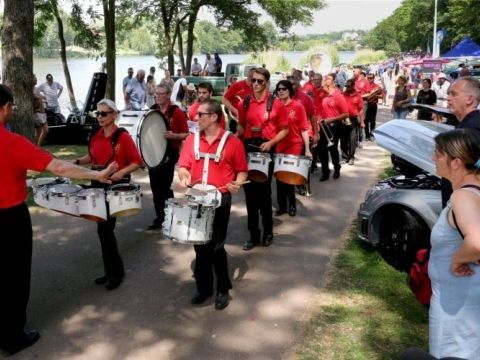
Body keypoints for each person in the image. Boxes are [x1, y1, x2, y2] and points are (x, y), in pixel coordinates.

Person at [0, 84, 116, 357]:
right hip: (9, 220)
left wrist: (19, 184)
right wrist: (98, 176)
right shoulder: (11, 141)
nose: (12, 110)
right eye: (11, 106)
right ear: (4, 107)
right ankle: (13, 337)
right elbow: (59, 167)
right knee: (14, 277)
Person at [177, 99, 248, 310]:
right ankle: (204, 288)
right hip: (197, 197)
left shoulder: (233, 142)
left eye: (200, 115)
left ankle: (222, 288)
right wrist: (183, 176)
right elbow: (183, 166)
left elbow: (242, 170)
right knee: (200, 245)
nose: (195, 118)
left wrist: (239, 182)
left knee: (217, 247)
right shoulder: (192, 140)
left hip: (220, 198)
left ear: (214, 117)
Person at [74, 99, 142, 290]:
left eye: (104, 113)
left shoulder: (123, 137)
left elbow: (136, 161)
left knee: (105, 230)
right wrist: (77, 162)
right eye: (98, 113)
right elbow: (92, 157)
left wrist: (121, 172)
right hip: (96, 181)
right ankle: (109, 272)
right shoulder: (95, 134)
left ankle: (116, 274)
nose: (100, 117)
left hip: (113, 185)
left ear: (114, 114)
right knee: (102, 230)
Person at [429, 129, 480, 360]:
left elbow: (477, 242)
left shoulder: (463, 197)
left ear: (456, 163)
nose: (433, 158)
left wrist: (458, 258)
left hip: (457, 304)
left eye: (438, 154)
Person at [236, 67, 289, 250]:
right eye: (253, 80)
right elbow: (241, 128)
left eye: (260, 81)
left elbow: (285, 129)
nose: (256, 84)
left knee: (264, 194)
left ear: (267, 83)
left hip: (266, 148)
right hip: (249, 147)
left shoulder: (277, 103)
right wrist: (233, 143)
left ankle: (268, 230)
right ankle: (253, 234)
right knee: (249, 194)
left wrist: (271, 143)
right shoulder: (244, 102)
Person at [147, 84, 189, 230]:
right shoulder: (152, 111)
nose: (158, 96)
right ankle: (160, 217)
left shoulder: (176, 112)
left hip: (169, 153)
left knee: (164, 186)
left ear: (169, 94)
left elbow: (186, 133)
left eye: (161, 94)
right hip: (153, 153)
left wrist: (174, 136)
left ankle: (170, 216)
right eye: (156, 94)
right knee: (155, 187)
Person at [274, 80, 311, 217]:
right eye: (278, 89)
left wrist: (307, 149)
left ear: (290, 90)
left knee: (289, 176)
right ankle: (282, 206)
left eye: (284, 89)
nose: (281, 91)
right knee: (279, 177)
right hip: (279, 145)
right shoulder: (275, 106)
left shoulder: (298, 106)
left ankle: (292, 205)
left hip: (294, 145)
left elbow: (304, 129)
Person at [441, 77, 480, 207]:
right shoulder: (468, 125)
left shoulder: (471, 130)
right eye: (448, 94)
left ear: (470, 99)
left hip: (465, 209)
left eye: (454, 94)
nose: (448, 98)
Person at [318, 73, 349, 181]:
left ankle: (337, 169)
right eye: (325, 78)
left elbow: (346, 114)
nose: (326, 80)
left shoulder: (338, 95)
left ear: (334, 81)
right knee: (322, 150)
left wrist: (332, 119)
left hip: (334, 126)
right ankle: (325, 172)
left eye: (328, 78)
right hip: (323, 126)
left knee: (333, 149)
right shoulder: (323, 95)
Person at [342, 78, 364, 166]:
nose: (346, 87)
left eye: (348, 86)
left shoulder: (357, 96)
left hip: (353, 119)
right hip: (343, 119)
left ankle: (351, 156)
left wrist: (362, 121)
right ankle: (344, 156)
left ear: (353, 86)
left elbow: (361, 110)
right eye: (346, 86)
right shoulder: (343, 94)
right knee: (343, 139)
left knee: (353, 139)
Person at [364, 73, 383, 141]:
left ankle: (372, 134)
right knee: (365, 120)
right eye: (368, 78)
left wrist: (375, 95)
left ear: (374, 78)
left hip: (373, 104)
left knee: (372, 120)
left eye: (371, 78)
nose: (369, 79)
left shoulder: (377, 86)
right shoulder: (364, 86)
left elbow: (382, 96)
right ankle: (367, 135)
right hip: (365, 104)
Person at [33, 74, 48, 146]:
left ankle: (37, 147)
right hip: (37, 113)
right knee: (42, 131)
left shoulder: (36, 88)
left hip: (42, 113)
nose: (36, 79)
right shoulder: (30, 90)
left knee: (43, 131)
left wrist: (43, 97)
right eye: (34, 78)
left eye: (36, 77)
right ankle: (37, 147)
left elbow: (40, 96)